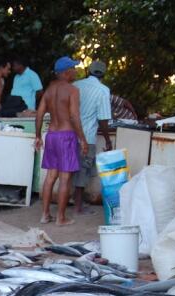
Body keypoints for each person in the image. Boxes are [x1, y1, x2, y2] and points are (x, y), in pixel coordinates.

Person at [35, 56, 88, 226]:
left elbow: (40, 113)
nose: (76, 71)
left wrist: (37, 136)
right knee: (65, 178)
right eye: (74, 68)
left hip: (51, 135)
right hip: (66, 136)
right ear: (66, 72)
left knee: (51, 176)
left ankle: (45, 215)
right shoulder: (72, 90)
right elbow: (73, 116)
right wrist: (82, 139)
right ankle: (60, 218)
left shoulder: (49, 89)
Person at [73, 60, 112, 215]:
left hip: (70, 135)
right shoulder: (103, 90)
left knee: (69, 170)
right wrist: (108, 140)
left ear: (88, 71)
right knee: (83, 170)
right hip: (87, 137)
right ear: (103, 74)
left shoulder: (76, 85)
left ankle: (72, 202)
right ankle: (78, 207)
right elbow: (103, 119)